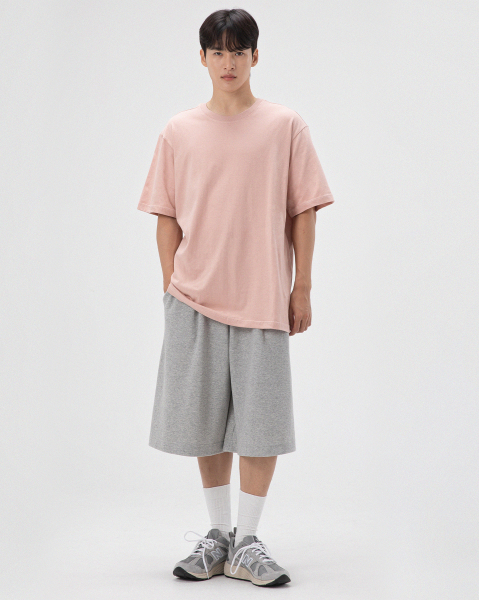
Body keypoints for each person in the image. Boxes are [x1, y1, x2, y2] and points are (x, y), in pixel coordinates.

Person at [137, 8, 334, 587]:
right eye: (218, 51)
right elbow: (166, 215)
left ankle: (248, 540)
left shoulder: (284, 126)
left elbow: (303, 209)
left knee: (261, 422)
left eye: (238, 51)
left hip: (261, 297)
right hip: (193, 298)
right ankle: (219, 535)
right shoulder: (178, 131)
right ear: (202, 58)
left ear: (255, 56)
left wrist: (301, 286)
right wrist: (172, 285)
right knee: (204, 421)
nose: (228, 62)